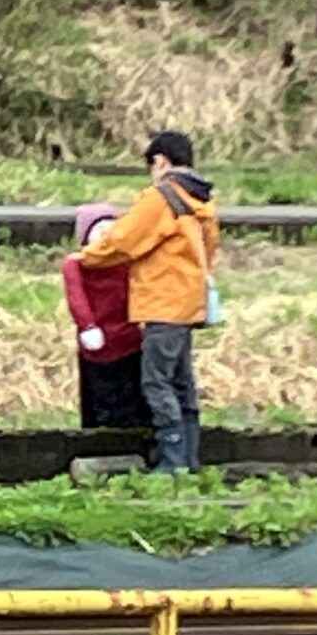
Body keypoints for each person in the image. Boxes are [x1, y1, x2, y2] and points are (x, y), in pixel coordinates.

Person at [75, 130, 219, 472]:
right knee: (182, 382)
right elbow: (209, 250)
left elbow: (124, 240)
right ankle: (190, 457)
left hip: (162, 302)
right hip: (189, 301)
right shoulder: (203, 202)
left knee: (156, 381)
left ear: (160, 162)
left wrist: (87, 257)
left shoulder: (160, 198)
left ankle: (172, 460)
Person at [62, 204, 151, 431]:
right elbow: (76, 297)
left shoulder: (125, 259)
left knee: (131, 395)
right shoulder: (76, 264)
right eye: (98, 228)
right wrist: (87, 325)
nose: (105, 233)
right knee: (98, 393)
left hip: (129, 337)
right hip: (96, 340)